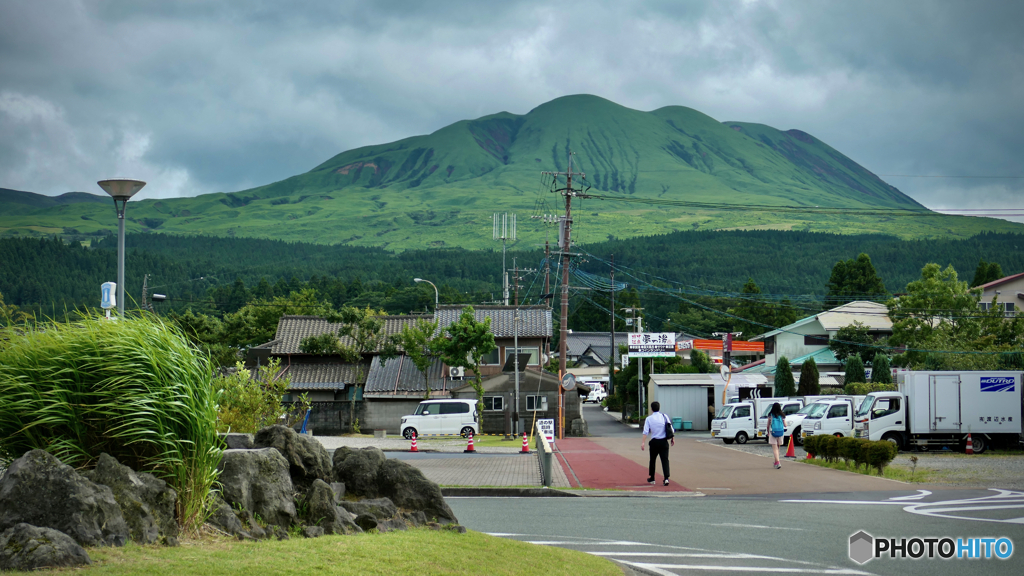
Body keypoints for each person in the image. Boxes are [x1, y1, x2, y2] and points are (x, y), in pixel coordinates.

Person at [641, 401, 674, 486]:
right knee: (665, 460)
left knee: (652, 460)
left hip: (654, 442)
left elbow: (646, 432)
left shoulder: (649, 419)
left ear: (651, 409)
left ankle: (652, 478)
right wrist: (672, 438)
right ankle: (666, 478)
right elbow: (670, 428)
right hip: (664, 442)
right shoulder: (664, 416)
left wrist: (643, 442)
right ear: (659, 408)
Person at [768, 402, 786, 469]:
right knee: (778, 448)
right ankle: (776, 462)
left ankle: (778, 462)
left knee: (775, 449)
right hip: (780, 432)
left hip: (773, 432)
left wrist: (768, 432)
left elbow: (768, 425)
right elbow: (785, 425)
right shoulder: (782, 415)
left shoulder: (770, 415)